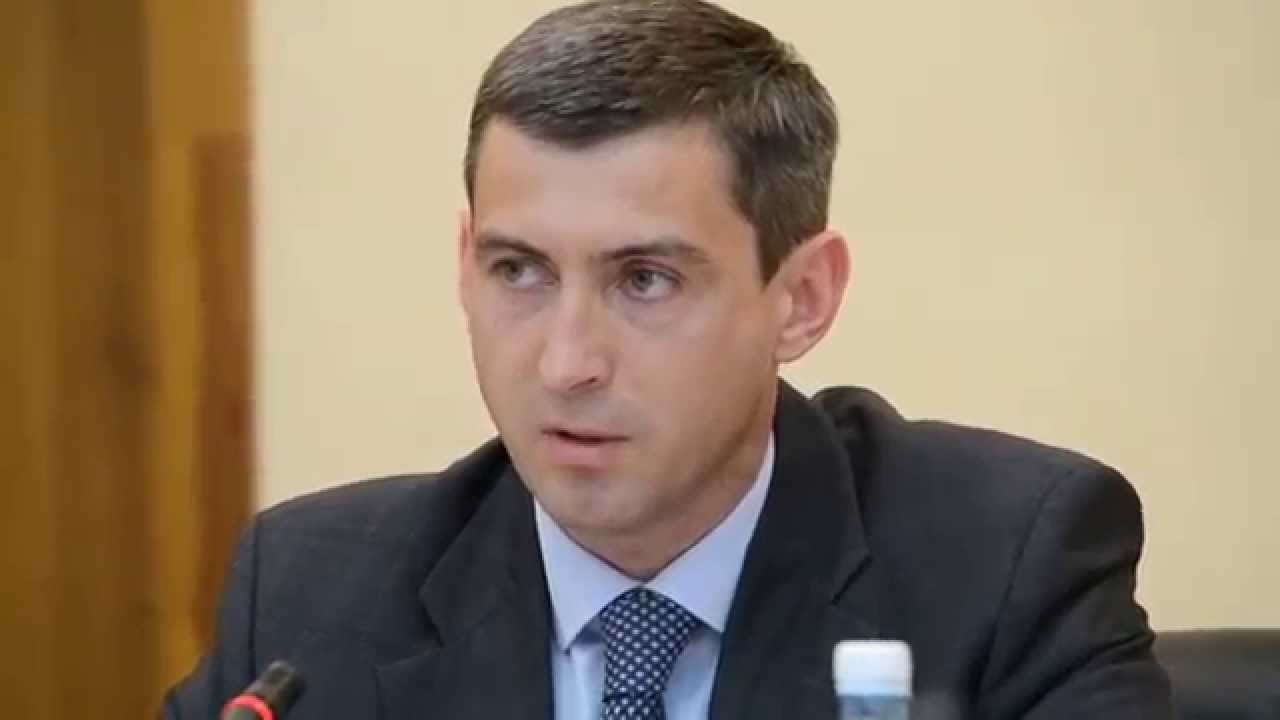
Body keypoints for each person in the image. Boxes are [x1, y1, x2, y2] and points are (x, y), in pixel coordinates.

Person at [165, 1, 1174, 718]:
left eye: (644, 280)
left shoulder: (1005, 568)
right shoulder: (307, 599)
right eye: (519, 270)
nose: (566, 363)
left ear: (802, 298)